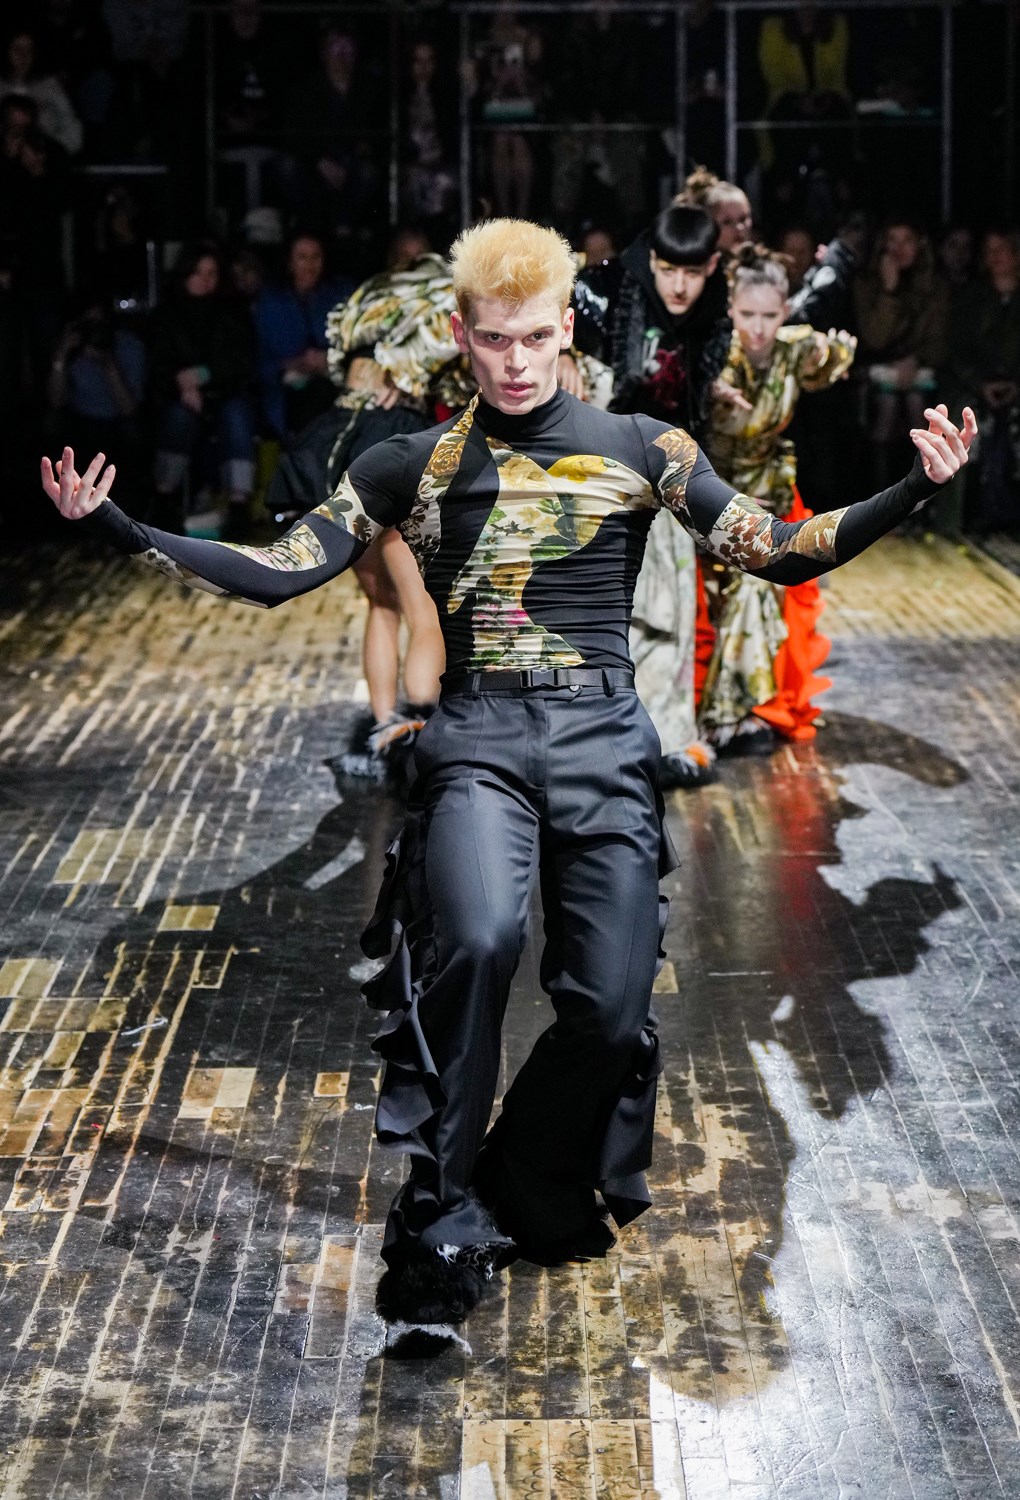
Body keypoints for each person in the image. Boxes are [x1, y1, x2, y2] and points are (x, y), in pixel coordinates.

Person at [42, 219, 976, 1328]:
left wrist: (913, 487)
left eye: (535, 337)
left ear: (567, 328)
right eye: (494, 340)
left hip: (603, 742)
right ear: (461, 335)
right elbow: (279, 567)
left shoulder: (646, 446)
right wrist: (121, 523)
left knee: (612, 1012)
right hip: (478, 740)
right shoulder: (408, 463)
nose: (518, 361)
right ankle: (437, 1223)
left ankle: (509, 1178)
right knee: (477, 944)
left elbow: (778, 547)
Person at [572, 204, 730, 788]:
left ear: (711, 265)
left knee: (667, 609)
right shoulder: (602, 291)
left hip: (665, 476)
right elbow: (547, 321)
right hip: (593, 473)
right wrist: (563, 352)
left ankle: (661, 737)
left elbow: (689, 392)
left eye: (693, 272)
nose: (680, 286)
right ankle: (591, 740)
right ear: (652, 261)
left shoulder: (712, 310)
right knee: (600, 608)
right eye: (668, 271)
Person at [698, 242, 856, 746]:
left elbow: (832, 357)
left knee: (759, 581)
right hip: (704, 495)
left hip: (769, 494)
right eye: (747, 314)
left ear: (785, 311)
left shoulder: (795, 348)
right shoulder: (711, 353)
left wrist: (837, 352)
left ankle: (736, 712)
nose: (759, 327)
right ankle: (716, 711)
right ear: (731, 309)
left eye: (769, 315)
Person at [148, 241, 257, 536]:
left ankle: (238, 505)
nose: (205, 280)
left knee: (237, 414)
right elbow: (158, 364)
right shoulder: (166, 314)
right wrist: (182, 384)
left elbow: (242, 361)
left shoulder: (232, 311)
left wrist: (205, 376)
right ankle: (164, 497)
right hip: (177, 396)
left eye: (212, 273)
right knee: (178, 417)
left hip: (225, 393)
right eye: (197, 272)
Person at [254, 231, 353, 439]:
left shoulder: (339, 293)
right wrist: (293, 364)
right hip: (285, 390)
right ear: (290, 262)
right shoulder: (271, 300)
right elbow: (260, 361)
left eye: (316, 257)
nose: (310, 264)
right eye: (302, 257)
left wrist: (328, 359)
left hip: (335, 381)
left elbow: (355, 342)